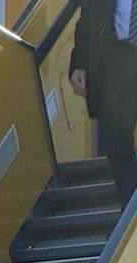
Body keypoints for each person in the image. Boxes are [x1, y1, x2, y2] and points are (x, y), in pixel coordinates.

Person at [71, 0, 137, 207]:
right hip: (117, 59)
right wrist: (79, 65)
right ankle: (130, 217)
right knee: (116, 139)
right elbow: (87, 21)